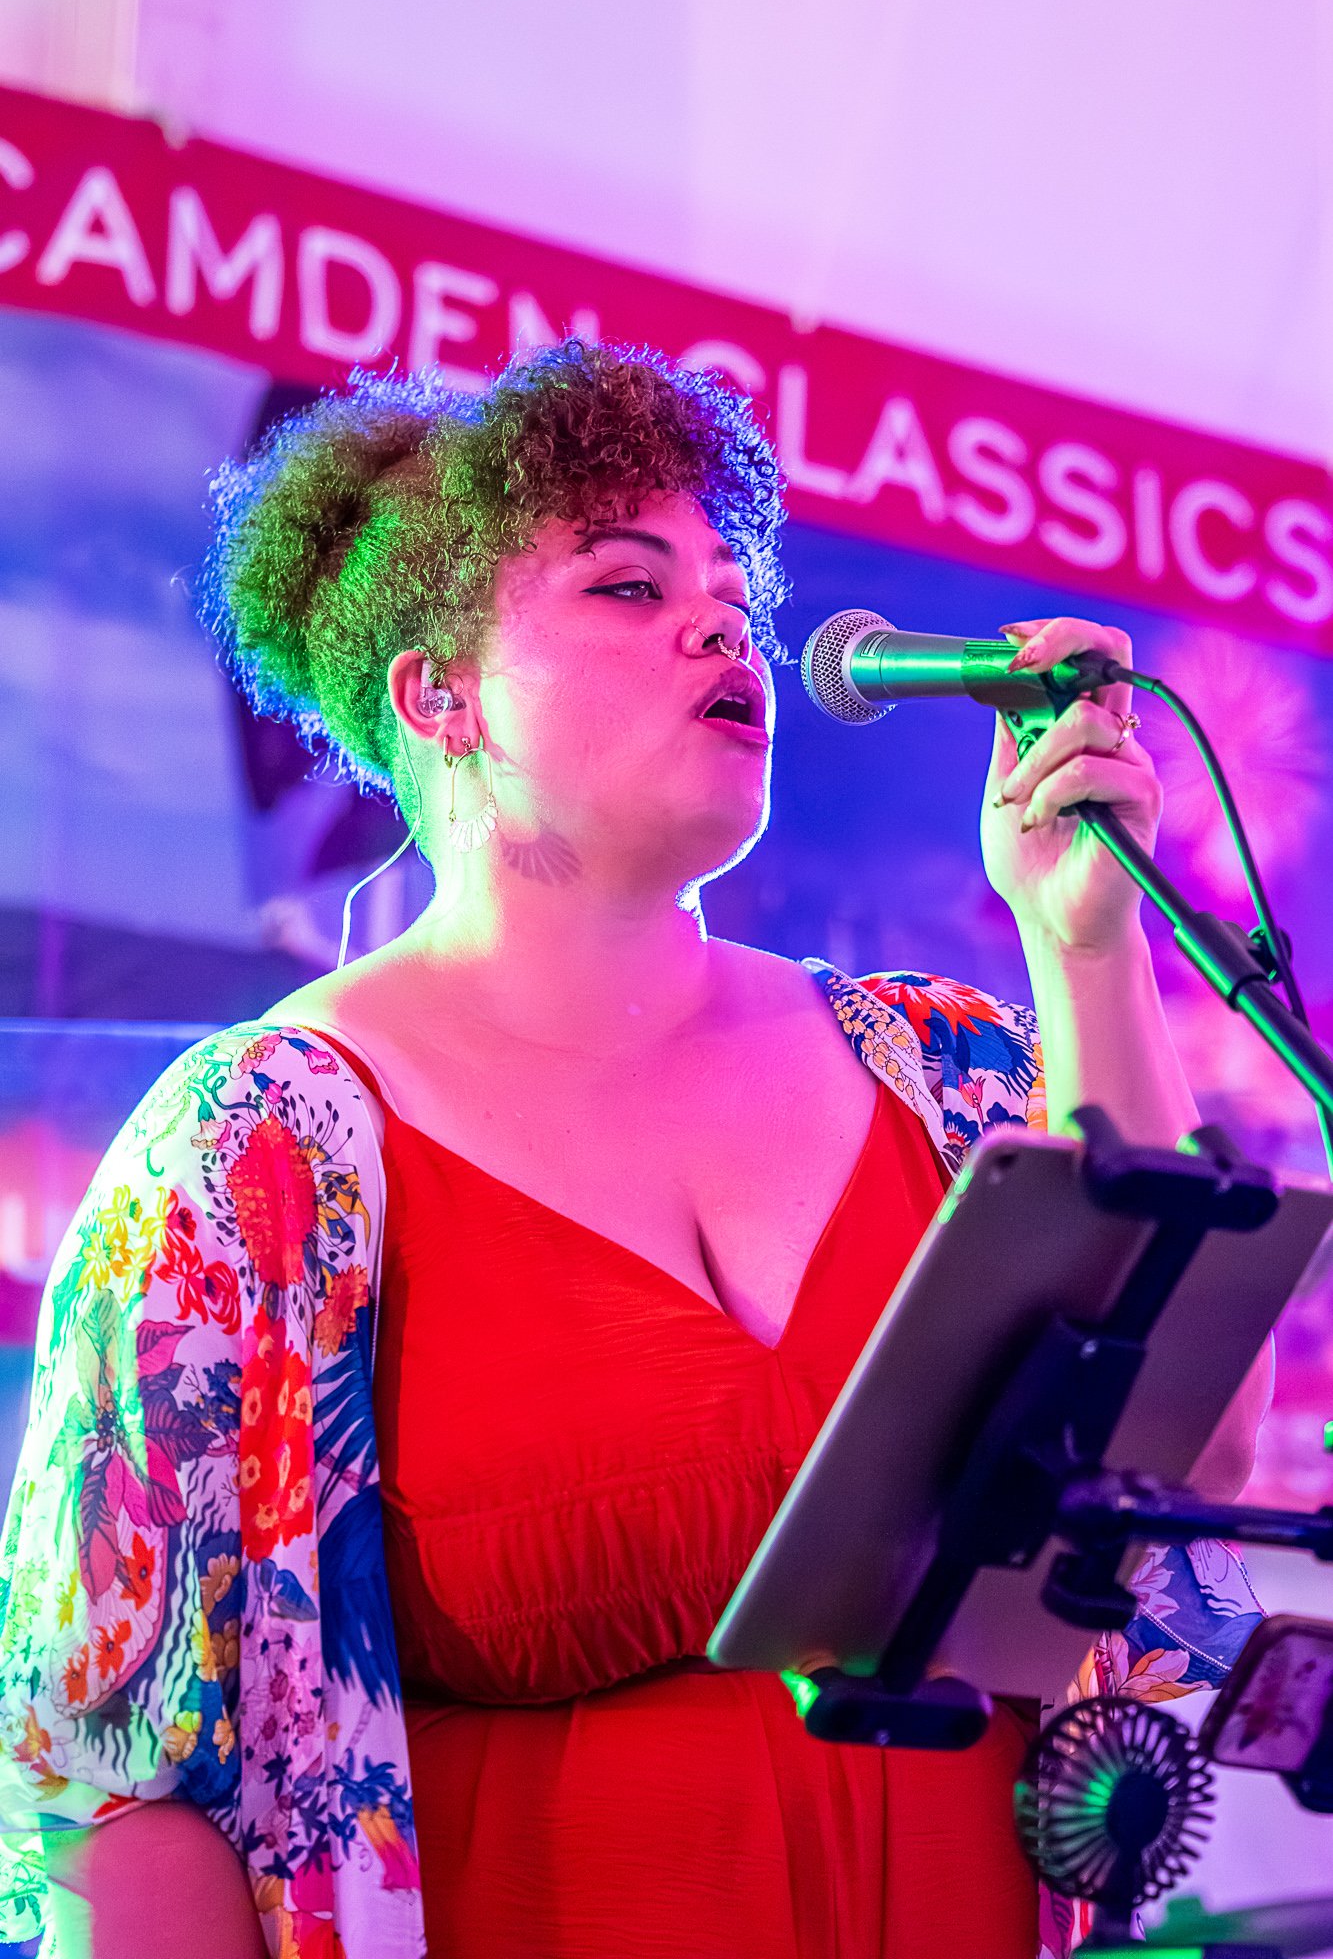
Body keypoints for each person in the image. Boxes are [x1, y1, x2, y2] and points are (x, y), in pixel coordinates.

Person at [0, 341, 1270, 1959]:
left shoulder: (940, 1066)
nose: (719, 621)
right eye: (623, 585)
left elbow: (1186, 1463)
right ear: (435, 693)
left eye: (732, 591)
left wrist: (1083, 944)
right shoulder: (254, 1154)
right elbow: (115, 1791)